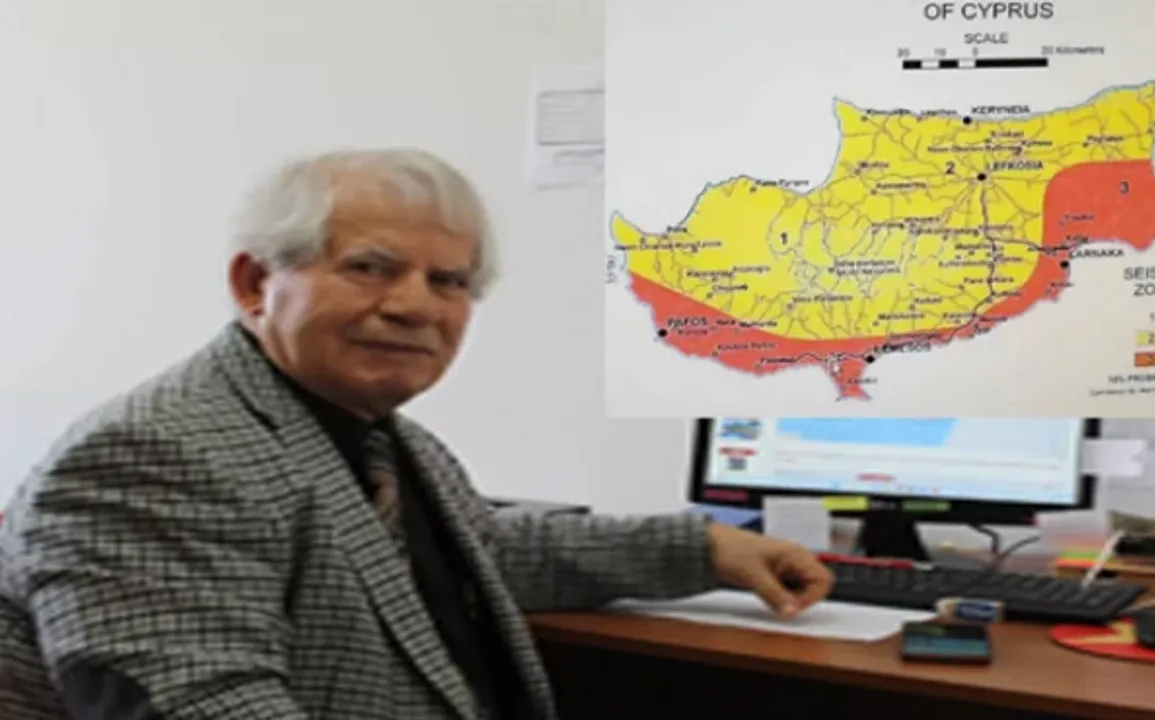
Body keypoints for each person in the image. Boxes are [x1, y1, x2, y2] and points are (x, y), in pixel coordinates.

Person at [0, 148, 834, 719]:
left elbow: (487, 553)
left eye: (448, 281)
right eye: (369, 267)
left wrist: (705, 548)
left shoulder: (380, 438)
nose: (412, 306)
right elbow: (203, 703)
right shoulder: (155, 455)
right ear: (255, 283)